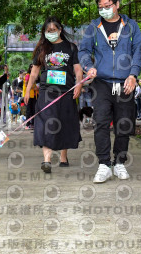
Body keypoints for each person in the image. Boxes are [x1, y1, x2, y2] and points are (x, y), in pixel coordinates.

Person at [79, 0, 141, 183]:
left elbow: (138, 51)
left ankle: (120, 162)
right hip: (102, 82)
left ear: (117, 5)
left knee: (123, 124)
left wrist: (133, 75)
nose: (104, 10)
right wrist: (88, 66)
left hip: (125, 82)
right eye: (100, 7)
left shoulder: (131, 26)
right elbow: (83, 51)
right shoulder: (93, 27)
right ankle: (104, 164)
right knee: (101, 122)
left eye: (107, 6)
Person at [24, 16, 83, 174]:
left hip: (66, 92)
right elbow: (34, 72)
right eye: (47, 31)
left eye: (53, 30)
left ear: (60, 30)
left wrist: (79, 84)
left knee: (65, 122)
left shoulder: (71, 47)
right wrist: (28, 90)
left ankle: (63, 156)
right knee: (46, 123)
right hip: (46, 92)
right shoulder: (42, 49)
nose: (50, 33)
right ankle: (47, 160)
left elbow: (78, 69)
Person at [22, 64, 38, 129]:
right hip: (28, 95)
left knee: (34, 109)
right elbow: (26, 84)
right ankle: (27, 124)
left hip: (34, 95)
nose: (33, 68)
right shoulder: (28, 75)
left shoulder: (34, 76)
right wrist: (33, 88)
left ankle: (33, 123)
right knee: (28, 110)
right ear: (30, 68)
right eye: (32, 67)